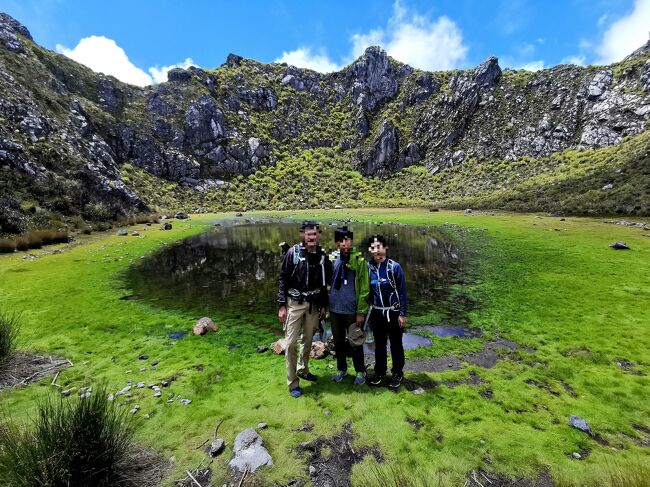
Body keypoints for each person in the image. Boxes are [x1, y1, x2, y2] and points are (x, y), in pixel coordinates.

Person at [278, 221, 332, 398]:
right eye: (308, 234)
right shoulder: (293, 253)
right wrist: (281, 305)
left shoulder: (322, 255)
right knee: (291, 343)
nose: (311, 238)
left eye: (314, 234)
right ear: (303, 235)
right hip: (294, 303)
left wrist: (323, 305)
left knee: (308, 340)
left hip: (314, 304)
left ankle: (303, 369)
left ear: (318, 235)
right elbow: (283, 279)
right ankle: (293, 383)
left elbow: (324, 284)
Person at [329, 226, 370, 385]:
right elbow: (327, 283)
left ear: (351, 241)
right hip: (334, 309)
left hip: (352, 310)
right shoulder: (332, 259)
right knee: (338, 341)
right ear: (337, 242)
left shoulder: (359, 261)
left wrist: (361, 311)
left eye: (347, 240)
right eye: (341, 240)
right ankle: (342, 369)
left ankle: (360, 371)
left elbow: (365, 288)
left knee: (356, 341)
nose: (344, 243)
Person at [366, 234, 408, 389]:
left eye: (379, 247)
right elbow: (367, 292)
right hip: (377, 313)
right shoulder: (368, 268)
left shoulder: (394, 267)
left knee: (396, 344)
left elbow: (402, 292)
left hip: (394, 312)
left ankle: (397, 372)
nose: (376, 250)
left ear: (385, 248)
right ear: (370, 250)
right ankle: (380, 372)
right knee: (380, 344)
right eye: (373, 248)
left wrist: (403, 314)